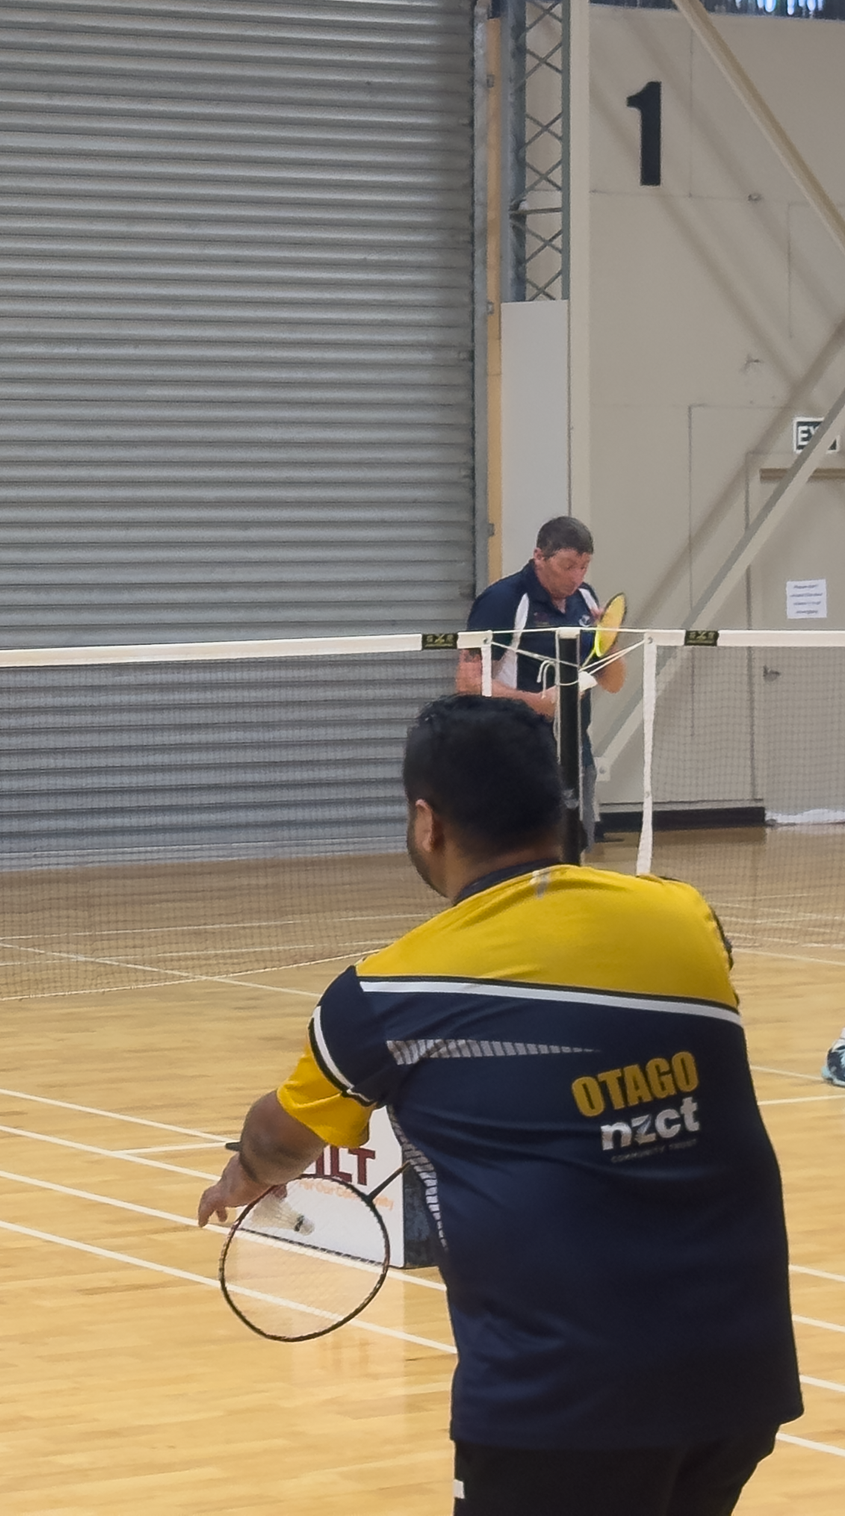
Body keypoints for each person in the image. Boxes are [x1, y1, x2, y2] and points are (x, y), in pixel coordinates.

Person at [197, 695, 798, 1516]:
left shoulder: (383, 995)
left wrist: (245, 1175)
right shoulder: (686, 916)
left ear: (427, 822)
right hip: (739, 1377)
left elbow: (279, 1139)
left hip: (559, 1401)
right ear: (559, 805)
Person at [458, 514, 624, 849]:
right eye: (568, 566)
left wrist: (610, 639)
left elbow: (613, 682)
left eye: (584, 566)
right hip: (513, 751)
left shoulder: (586, 598)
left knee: (574, 854)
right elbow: (468, 682)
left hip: (574, 752)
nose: (576, 577)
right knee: (516, 853)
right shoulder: (503, 600)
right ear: (539, 557)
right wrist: (538, 703)